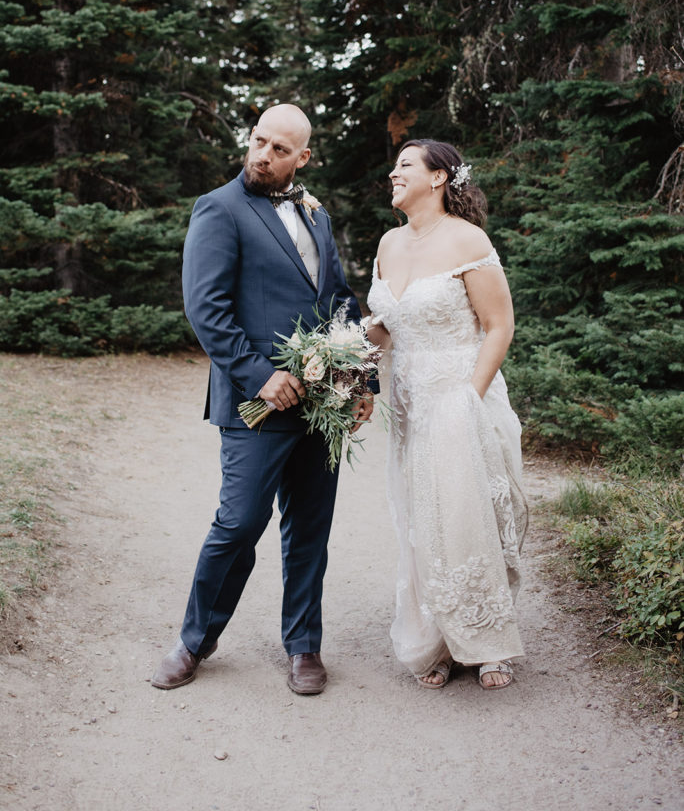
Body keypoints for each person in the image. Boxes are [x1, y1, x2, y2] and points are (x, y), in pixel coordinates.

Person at [152, 103, 374, 696]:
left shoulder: (316, 212)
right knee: (239, 521)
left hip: (321, 402)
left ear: (303, 158)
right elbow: (206, 308)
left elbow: (339, 299)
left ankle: (304, 646)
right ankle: (195, 640)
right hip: (257, 403)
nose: (262, 156)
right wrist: (258, 376)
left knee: (310, 529)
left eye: (279, 150)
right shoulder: (219, 209)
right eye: (258, 142)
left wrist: (361, 381)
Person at [366, 138, 528, 691]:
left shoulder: (467, 239)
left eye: (405, 165)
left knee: (464, 510)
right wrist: (344, 350)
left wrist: (469, 397)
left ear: (438, 178)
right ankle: (436, 637)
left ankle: (487, 644)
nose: (394, 173)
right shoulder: (388, 243)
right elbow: (389, 324)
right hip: (410, 399)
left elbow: (499, 325)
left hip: (461, 390)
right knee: (421, 516)